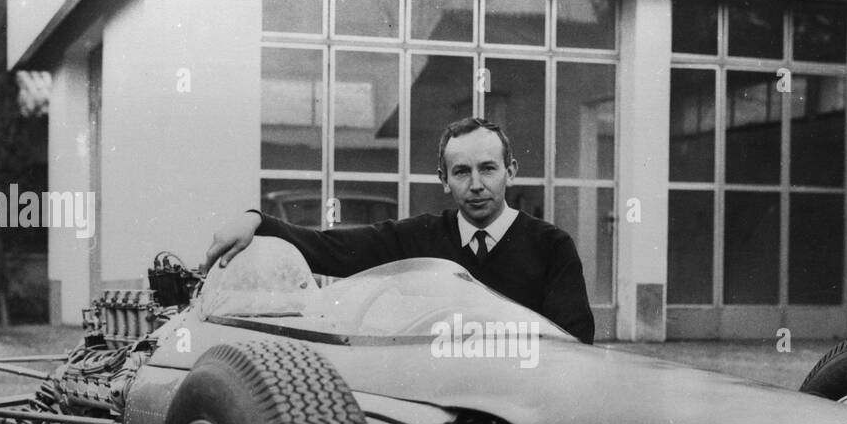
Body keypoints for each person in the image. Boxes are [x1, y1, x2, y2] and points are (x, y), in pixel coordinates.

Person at [203, 117, 596, 344]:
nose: (475, 184)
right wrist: (257, 219)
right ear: (444, 180)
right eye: (461, 172)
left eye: (488, 168)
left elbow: (574, 343)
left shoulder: (552, 246)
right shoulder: (418, 237)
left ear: (510, 171)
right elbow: (330, 248)